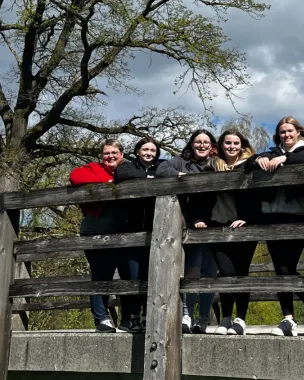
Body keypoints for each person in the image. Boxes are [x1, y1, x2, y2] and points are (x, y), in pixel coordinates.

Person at [245, 116, 304, 337]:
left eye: (290, 131)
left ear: (299, 132)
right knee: (280, 267)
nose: (286, 135)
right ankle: (288, 318)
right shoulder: (272, 152)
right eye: (282, 132)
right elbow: (248, 163)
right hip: (273, 214)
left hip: (298, 214)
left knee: (288, 265)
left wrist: (284, 159)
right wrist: (259, 160)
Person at [190, 129, 259, 336]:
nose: (231, 146)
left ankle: (240, 319)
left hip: (243, 226)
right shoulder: (212, 166)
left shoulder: (250, 164)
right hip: (218, 226)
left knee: (241, 273)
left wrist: (248, 217)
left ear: (242, 145)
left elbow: (259, 195)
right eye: (227, 143)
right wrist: (198, 218)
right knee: (226, 274)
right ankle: (226, 317)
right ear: (221, 146)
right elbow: (200, 196)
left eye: (235, 143)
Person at [69, 139, 141, 333]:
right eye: (106, 153)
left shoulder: (128, 169)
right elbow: (75, 177)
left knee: (130, 277)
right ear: (101, 156)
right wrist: (107, 184)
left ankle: (129, 319)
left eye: (114, 152)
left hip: (126, 233)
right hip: (96, 231)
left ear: (122, 154)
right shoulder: (93, 169)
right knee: (102, 275)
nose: (110, 156)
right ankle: (101, 318)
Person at [156, 129, 218, 334]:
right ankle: (187, 314)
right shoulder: (181, 162)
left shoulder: (217, 163)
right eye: (197, 141)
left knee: (210, 273)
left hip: (214, 223)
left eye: (206, 142)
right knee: (192, 272)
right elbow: (162, 169)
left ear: (211, 146)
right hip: (189, 224)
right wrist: (182, 176)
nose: (201, 145)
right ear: (192, 144)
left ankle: (203, 318)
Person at [113, 137, 166, 331]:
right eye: (145, 149)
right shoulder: (128, 167)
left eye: (153, 150)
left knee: (151, 275)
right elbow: (120, 173)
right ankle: (131, 316)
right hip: (132, 229)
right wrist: (148, 179)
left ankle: (147, 316)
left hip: (156, 230)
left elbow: (169, 174)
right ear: (137, 151)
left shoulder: (161, 167)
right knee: (132, 275)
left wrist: (153, 176)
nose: (149, 153)